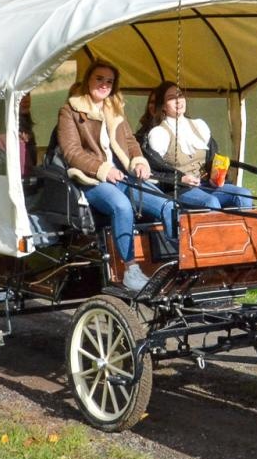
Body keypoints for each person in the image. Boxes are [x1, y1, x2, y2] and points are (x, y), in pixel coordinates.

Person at [55, 60, 178, 293]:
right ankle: (130, 270)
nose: (104, 85)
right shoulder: (71, 111)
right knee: (122, 207)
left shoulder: (114, 110)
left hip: (122, 177)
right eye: (99, 79)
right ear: (88, 81)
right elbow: (72, 152)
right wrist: (103, 169)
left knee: (168, 204)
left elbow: (130, 142)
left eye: (109, 81)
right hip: (91, 179)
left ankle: (178, 264)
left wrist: (139, 161)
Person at [140, 81, 253, 211]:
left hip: (206, 184)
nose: (178, 101)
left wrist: (215, 175)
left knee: (243, 195)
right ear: (163, 106)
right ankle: (214, 231)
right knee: (210, 202)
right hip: (180, 190)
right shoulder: (159, 134)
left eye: (180, 95)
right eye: (171, 98)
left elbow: (213, 157)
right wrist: (181, 179)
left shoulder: (199, 126)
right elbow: (155, 171)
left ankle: (241, 231)